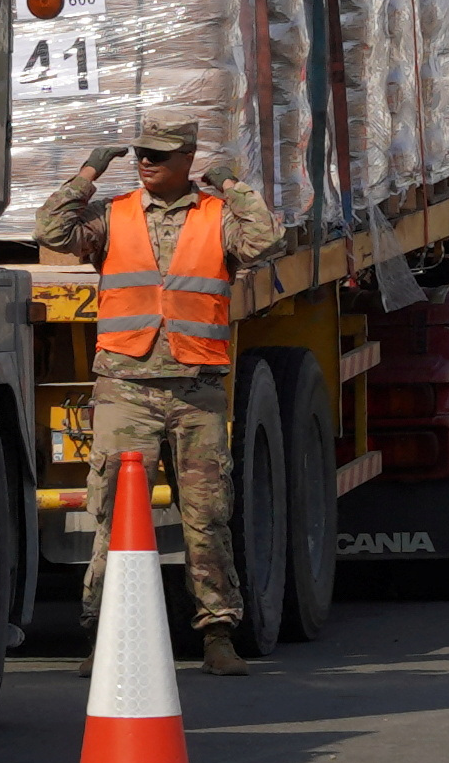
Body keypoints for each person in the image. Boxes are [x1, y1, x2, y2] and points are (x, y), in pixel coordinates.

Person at [32, 115, 288, 675]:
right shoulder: (113, 215)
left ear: (188, 159)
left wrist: (233, 186)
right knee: (117, 517)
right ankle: (104, 635)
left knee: (207, 516)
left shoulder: (218, 217)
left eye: (161, 154)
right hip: (126, 388)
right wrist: (89, 173)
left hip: (196, 390)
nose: (147, 161)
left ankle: (217, 636)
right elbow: (50, 232)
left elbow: (268, 238)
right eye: (142, 153)